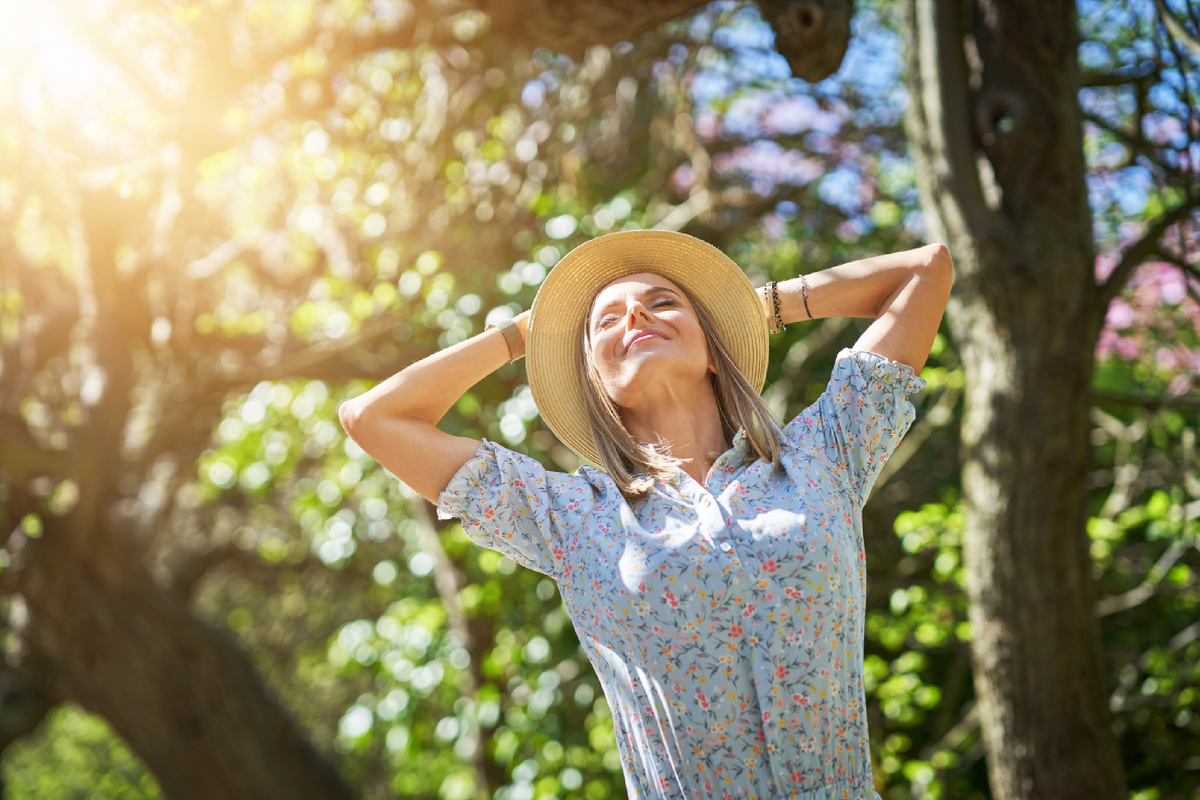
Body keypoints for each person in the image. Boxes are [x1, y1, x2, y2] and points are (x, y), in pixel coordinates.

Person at [339, 229, 953, 800]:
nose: (635, 315)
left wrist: (752, 306)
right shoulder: (567, 516)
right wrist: (526, 335)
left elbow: (925, 270)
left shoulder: (825, 452)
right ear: (595, 381)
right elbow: (375, 419)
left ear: (712, 351)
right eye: (607, 320)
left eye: (663, 304)